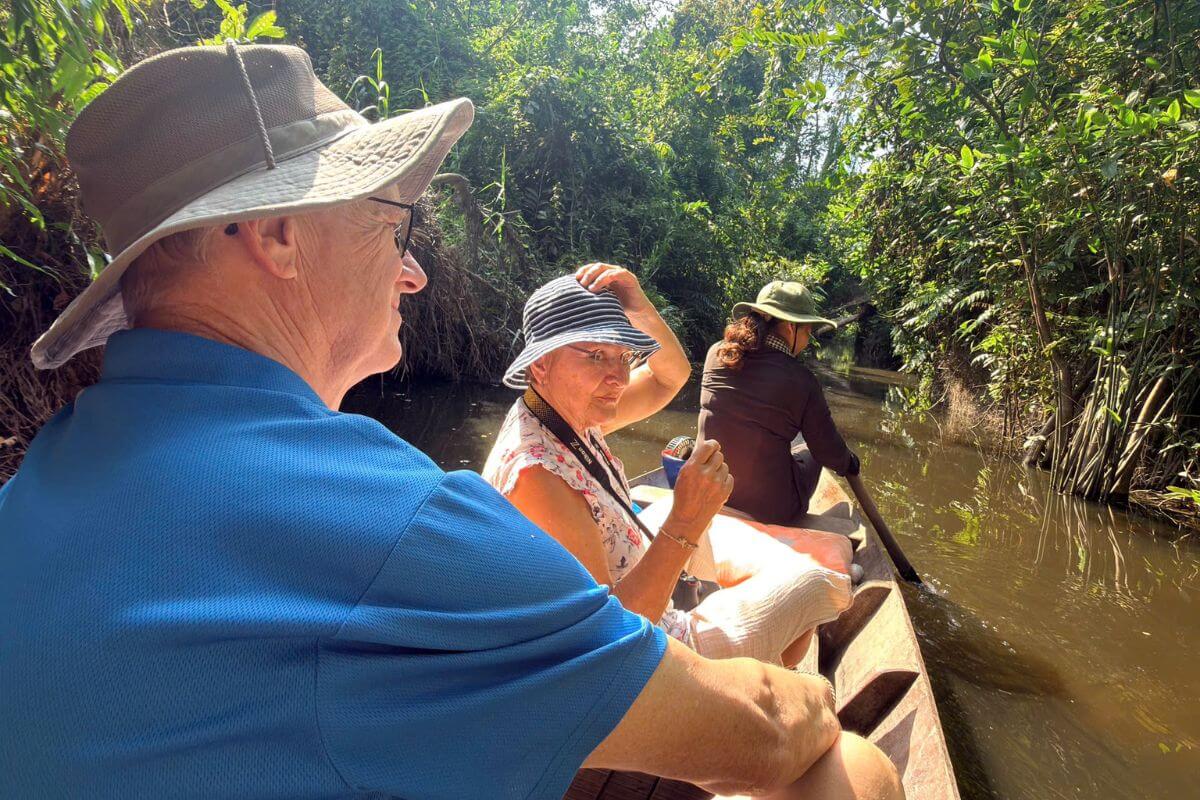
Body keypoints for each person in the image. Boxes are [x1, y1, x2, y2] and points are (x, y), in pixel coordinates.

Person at [0, 44, 901, 800]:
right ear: (275, 232)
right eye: (397, 228)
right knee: (851, 768)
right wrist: (807, 702)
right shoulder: (393, 519)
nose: (414, 273)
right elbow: (764, 732)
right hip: (654, 686)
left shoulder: (30, 491)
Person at [483, 268, 852, 667]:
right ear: (540, 365)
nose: (620, 376)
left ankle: (760, 663)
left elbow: (669, 377)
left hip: (635, 562)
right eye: (597, 356)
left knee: (777, 577)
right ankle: (754, 681)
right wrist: (685, 521)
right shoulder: (539, 477)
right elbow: (609, 639)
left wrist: (638, 305)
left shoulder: (569, 415)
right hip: (655, 649)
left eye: (624, 356)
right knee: (816, 583)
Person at [700, 281, 861, 525]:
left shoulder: (716, 353)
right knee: (813, 451)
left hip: (707, 490)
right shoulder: (801, 379)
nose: (807, 339)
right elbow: (828, 451)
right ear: (789, 327)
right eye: (806, 331)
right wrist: (849, 462)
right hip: (771, 509)